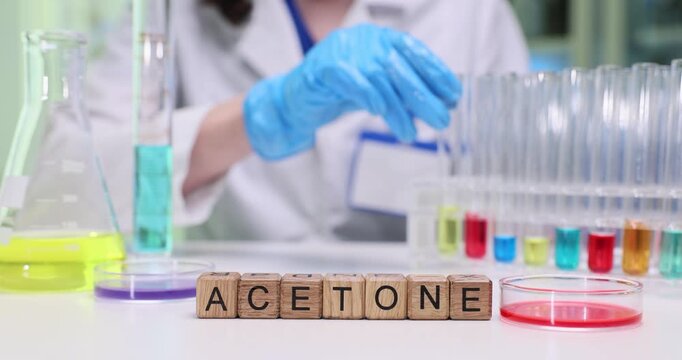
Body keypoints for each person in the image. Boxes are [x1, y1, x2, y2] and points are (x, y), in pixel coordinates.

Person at [88, 0, 528, 242]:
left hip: (417, 311)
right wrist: (260, 116)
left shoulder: (470, 13)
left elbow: (524, 209)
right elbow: (79, 184)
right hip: (236, 310)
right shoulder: (175, 11)